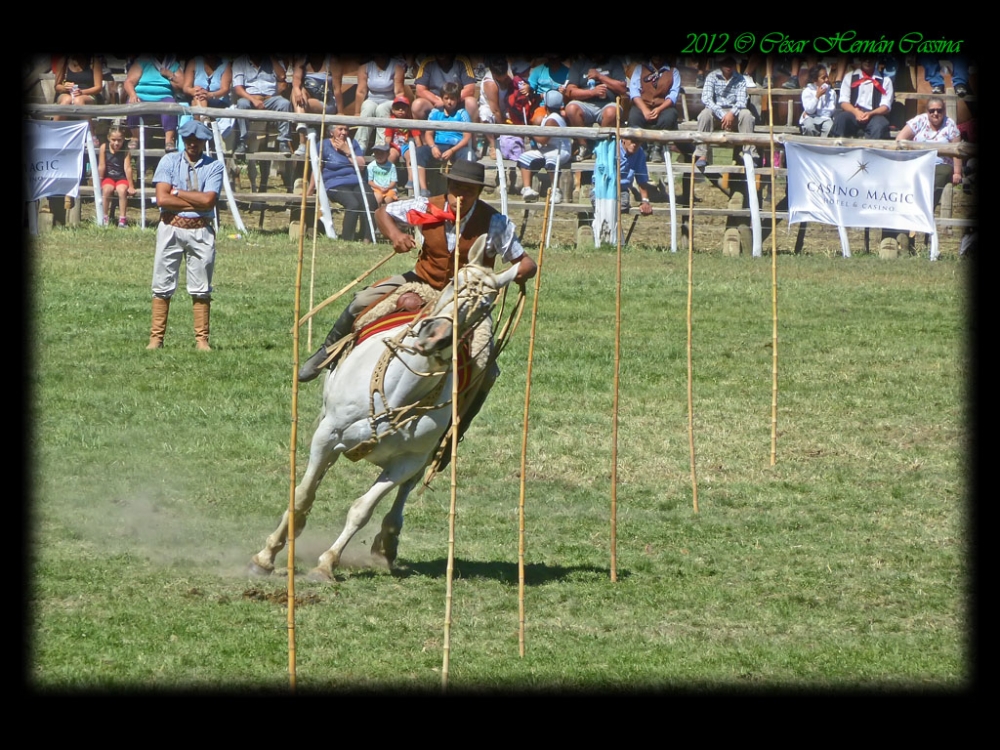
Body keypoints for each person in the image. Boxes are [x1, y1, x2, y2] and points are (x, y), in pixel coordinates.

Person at [298, 159, 537, 384]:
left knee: (484, 365)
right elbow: (383, 212)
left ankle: (463, 415)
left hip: (467, 297)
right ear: (448, 186)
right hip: (422, 282)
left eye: (469, 191)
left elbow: (527, 263)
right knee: (361, 301)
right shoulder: (425, 206)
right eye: (456, 189)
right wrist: (396, 235)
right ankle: (326, 353)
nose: (460, 197)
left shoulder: (495, 222)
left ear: (479, 193)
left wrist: (499, 279)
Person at [147, 119, 225, 351]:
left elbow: (209, 200)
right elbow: (162, 199)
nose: (193, 144)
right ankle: (156, 339)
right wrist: (196, 201)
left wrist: (178, 193)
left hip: (201, 230)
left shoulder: (214, 166)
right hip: (170, 227)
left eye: (197, 140)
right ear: (183, 140)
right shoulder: (168, 161)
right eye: (189, 140)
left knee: (202, 285)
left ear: (203, 142)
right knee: (162, 282)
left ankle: (202, 340)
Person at [308, 124, 377, 243]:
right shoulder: (324, 145)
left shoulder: (352, 144)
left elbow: (361, 166)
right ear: (331, 132)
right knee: (353, 204)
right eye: (340, 129)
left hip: (355, 181)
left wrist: (347, 151)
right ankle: (347, 239)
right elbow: (317, 168)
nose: (344, 132)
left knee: (370, 200)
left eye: (346, 129)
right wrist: (310, 190)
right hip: (334, 183)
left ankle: (367, 237)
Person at [896, 96, 963, 206]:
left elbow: (957, 150)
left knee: (939, 178)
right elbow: (900, 139)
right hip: (919, 161)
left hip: (941, 163)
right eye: (932, 110)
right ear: (927, 111)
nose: (935, 113)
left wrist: (957, 173)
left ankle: (926, 208)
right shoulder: (919, 120)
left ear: (944, 111)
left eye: (939, 110)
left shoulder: (950, 124)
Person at [695, 56, 758, 168]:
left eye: (731, 63)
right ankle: (701, 154)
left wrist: (731, 113)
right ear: (720, 64)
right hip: (716, 112)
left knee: (747, 115)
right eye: (725, 63)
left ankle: (749, 154)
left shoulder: (740, 79)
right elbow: (707, 99)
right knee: (704, 115)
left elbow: (742, 100)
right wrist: (723, 114)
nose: (728, 66)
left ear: (735, 64)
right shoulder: (712, 77)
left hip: (734, 113)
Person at [564, 54, 628, 160]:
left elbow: (622, 88)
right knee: (571, 108)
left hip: (608, 103)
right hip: (584, 104)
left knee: (612, 111)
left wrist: (600, 77)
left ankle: (600, 147)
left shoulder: (613, 62)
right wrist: (592, 92)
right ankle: (584, 146)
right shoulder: (579, 64)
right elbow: (571, 91)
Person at [416, 81, 474, 192]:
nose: (449, 102)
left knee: (467, 155)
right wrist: (433, 147)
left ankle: (461, 188)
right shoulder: (435, 113)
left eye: (453, 99)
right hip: (438, 145)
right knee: (420, 152)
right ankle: (423, 189)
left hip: (456, 147)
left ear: (457, 99)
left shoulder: (462, 113)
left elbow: (467, 137)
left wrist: (452, 150)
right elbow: (428, 134)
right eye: (446, 98)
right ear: (442, 98)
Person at [517, 89, 572, 203]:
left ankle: (556, 190)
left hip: (561, 150)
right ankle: (527, 189)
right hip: (547, 149)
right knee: (524, 157)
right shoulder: (548, 117)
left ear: (545, 105)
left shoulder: (553, 120)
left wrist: (530, 133)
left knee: (551, 159)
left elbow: (543, 140)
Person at [231, 55, 293, 156]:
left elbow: (282, 76)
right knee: (241, 103)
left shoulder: (273, 61)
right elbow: (238, 89)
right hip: (250, 98)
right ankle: (242, 141)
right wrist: (253, 100)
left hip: (270, 99)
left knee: (284, 103)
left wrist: (271, 58)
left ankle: (283, 142)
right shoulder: (240, 62)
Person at [627, 56, 684, 162]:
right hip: (643, 106)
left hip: (663, 107)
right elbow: (634, 92)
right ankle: (642, 148)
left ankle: (657, 148)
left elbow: (673, 95)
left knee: (669, 116)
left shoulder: (673, 72)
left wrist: (659, 109)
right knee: (634, 116)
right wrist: (644, 110)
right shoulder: (640, 69)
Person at [124, 54, 183, 152]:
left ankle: (169, 141)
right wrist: (132, 94)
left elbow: (183, 84)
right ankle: (135, 137)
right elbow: (129, 82)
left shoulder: (173, 64)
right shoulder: (143, 61)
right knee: (132, 105)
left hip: (164, 97)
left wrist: (170, 75)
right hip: (141, 96)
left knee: (171, 105)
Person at [829, 56, 893, 140]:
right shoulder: (850, 77)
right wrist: (855, 112)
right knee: (841, 119)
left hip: (874, 115)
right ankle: (838, 150)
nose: (868, 60)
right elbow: (844, 102)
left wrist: (870, 114)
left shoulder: (885, 80)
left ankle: (872, 151)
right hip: (854, 113)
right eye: (865, 57)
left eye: (871, 58)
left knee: (880, 125)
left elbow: (886, 106)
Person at [290, 55, 342, 156]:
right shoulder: (302, 61)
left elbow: (337, 89)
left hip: (326, 103)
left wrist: (340, 112)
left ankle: (303, 140)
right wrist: (297, 90)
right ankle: (303, 126)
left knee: (304, 103)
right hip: (304, 102)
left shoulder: (331, 62)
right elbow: (296, 81)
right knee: (296, 90)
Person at [355, 55, 407, 154]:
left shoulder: (397, 67)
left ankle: (381, 146)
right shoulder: (365, 67)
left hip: (389, 100)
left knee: (382, 109)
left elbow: (399, 92)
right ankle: (360, 145)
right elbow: (361, 91)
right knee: (367, 107)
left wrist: (399, 109)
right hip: (372, 99)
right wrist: (357, 112)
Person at [411, 54, 478, 121]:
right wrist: (439, 101)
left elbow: (470, 89)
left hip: (456, 103)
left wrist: (451, 100)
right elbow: (420, 90)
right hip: (436, 104)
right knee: (417, 105)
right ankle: (426, 131)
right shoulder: (427, 62)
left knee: (471, 102)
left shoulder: (462, 61)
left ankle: (469, 131)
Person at [52, 55, 105, 139]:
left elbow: (98, 87)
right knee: (66, 100)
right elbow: (57, 86)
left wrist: (82, 92)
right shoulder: (64, 60)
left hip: (88, 94)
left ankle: (91, 135)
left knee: (78, 101)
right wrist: (64, 87)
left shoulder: (93, 61)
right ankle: (53, 133)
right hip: (67, 93)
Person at [384, 96, 426, 195]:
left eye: (403, 108)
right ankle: (388, 182)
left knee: (410, 158)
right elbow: (388, 137)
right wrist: (385, 147)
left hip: (407, 145)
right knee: (390, 157)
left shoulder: (410, 121)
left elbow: (416, 137)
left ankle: (411, 180)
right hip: (394, 146)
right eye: (397, 108)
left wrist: (419, 148)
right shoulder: (391, 121)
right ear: (393, 110)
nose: (400, 110)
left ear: (408, 110)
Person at [99, 126, 135, 228]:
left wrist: (131, 186)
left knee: (122, 190)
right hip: (108, 177)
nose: (116, 143)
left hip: (121, 178)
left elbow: (127, 168)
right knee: (106, 190)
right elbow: (101, 166)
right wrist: (99, 182)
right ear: (108, 138)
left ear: (123, 139)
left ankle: (122, 219)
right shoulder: (104, 147)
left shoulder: (125, 149)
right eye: (113, 140)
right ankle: (104, 217)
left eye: (119, 140)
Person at [799, 64, 838, 137]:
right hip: (810, 117)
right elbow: (809, 110)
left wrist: (820, 114)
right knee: (809, 127)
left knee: (830, 128)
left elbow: (831, 110)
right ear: (815, 80)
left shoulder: (831, 92)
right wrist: (817, 96)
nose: (826, 80)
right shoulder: (807, 91)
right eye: (823, 78)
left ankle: (823, 147)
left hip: (825, 118)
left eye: (827, 77)